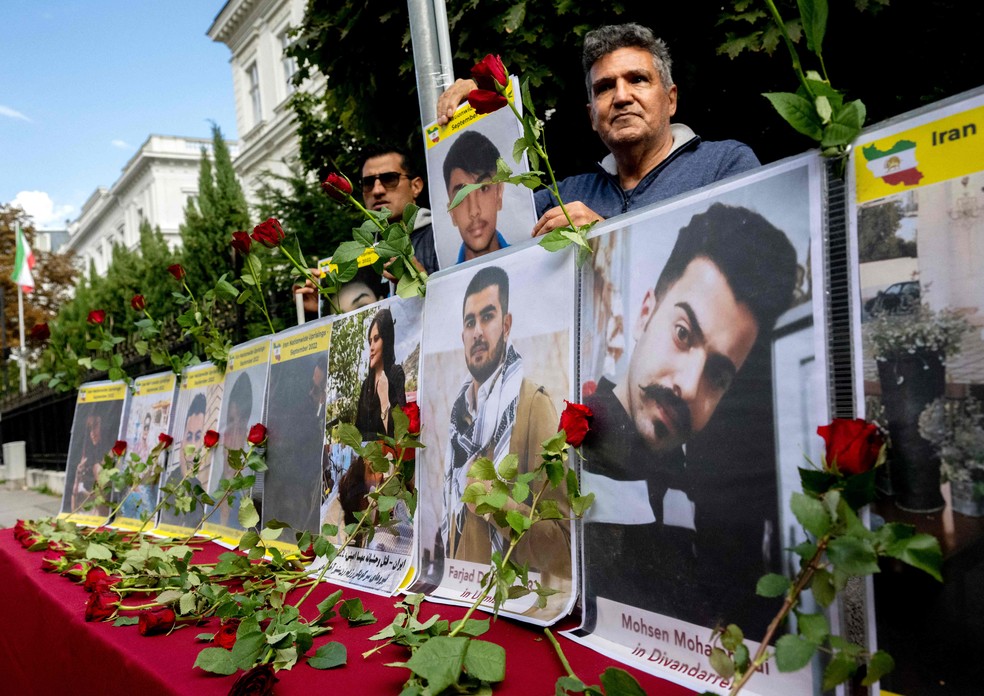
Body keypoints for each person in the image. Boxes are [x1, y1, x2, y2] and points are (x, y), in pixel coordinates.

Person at [578, 202, 797, 631]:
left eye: (717, 375)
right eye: (683, 334)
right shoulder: (569, 450)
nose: (691, 387)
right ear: (646, 313)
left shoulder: (700, 484)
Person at [436, 24, 760, 237]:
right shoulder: (563, 197)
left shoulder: (725, 165)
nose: (621, 97)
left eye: (637, 79)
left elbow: (747, 263)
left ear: (671, 99)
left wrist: (607, 235)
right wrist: (478, 112)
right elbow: (478, 230)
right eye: (605, 87)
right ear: (592, 116)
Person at [441, 266, 570, 585]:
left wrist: (495, 503)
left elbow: (564, 552)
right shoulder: (459, 417)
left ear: (506, 324)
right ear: (462, 335)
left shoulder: (533, 406)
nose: (477, 332)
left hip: (510, 607)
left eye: (488, 317)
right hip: (460, 600)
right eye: (470, 322)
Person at [294, 145, 438, 317]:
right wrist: (323, 303)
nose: (377, 190)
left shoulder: (443, 235)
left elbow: (463, 303)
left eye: (390, 179)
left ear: (416, 186)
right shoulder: (360, 257)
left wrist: (422, 279)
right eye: (368, 183)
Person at [442, 131, 508, 263]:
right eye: (461, 195)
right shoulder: (444, 282)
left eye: (483, 188)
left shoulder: (530, 259)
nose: (474, 212)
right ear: (451, 213)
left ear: (499, 194)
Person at [355, 308, 407, 440]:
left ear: (386, 340)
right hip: (367, 457)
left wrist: (384, 400)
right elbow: (358, 432)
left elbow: (399, 433)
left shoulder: (395, 374)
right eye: (370, 341)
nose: (371, 347)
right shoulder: (366, 385)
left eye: (376, 339)